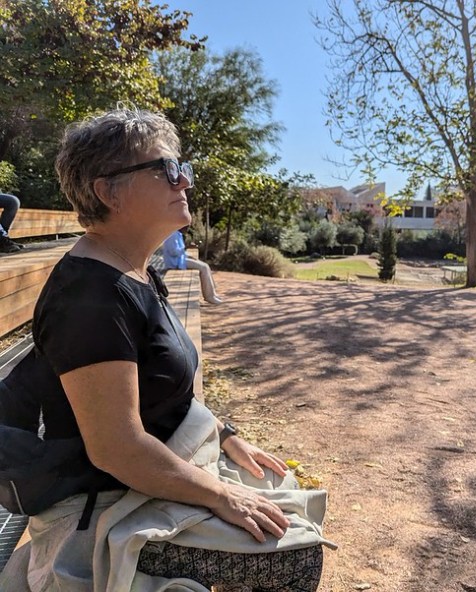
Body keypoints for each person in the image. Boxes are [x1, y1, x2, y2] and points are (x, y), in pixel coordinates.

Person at [12, 107, 330, 591]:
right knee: (293, 557)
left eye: (181, 167)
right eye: (165, 168)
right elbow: (117, 449)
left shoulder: (135, 270)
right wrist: (221, 495)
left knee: (276, 486)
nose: (183, 180)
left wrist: (225, 435)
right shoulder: (91, 299)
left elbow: (164, 385)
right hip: (102, 506)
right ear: (109, 192)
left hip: (150, 471)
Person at [162, 229, 223, 304]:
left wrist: (188, 256)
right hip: (175, 263)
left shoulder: (177, 234)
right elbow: (174, 252)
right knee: (204, 267)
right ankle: (209, 297)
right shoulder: (172, 235)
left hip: (180, 260)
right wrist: (187, 247)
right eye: (186, 226)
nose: (187, 228)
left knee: (205, 265)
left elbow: (179, 251)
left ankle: (212, 293)